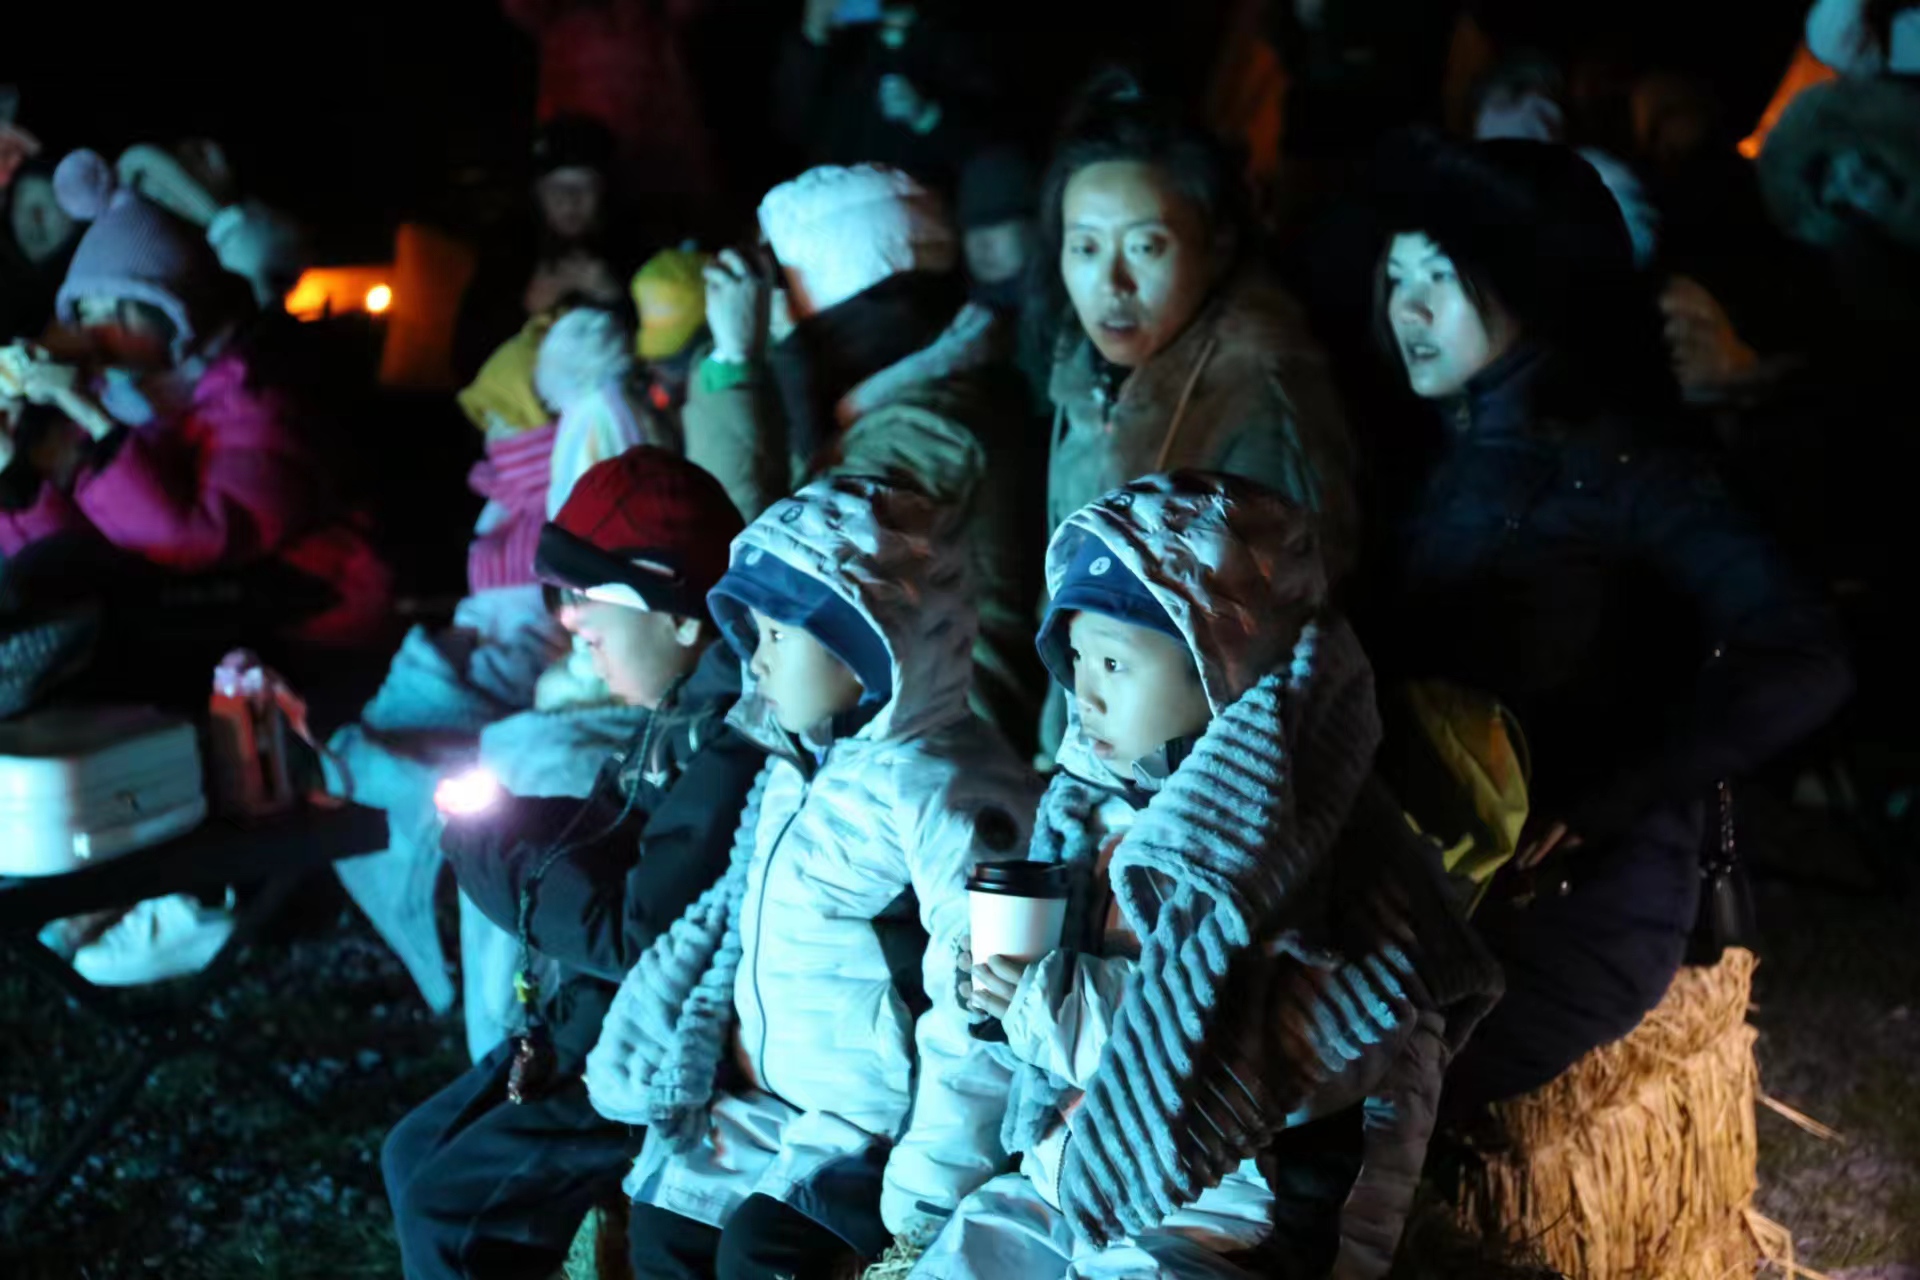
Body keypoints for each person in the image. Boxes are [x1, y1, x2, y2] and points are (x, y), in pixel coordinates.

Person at [909, 471, 1501, 1279]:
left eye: (1115, 664)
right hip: (1070, 1182)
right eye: (1076, 656)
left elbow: (1256, 1064)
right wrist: (983, 982)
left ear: (1224, 672)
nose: (1083, 692)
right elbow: (1041, 1013)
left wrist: (1046, 1002)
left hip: (1224, 1220)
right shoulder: (1092, 812)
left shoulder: (1320, 858)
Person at [1361, 133, 1851, 1108]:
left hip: (1581, 911)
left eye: (1445, 278)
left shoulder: (1619, 466)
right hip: (1445, 888)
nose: (1407, 307)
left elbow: (1806, 652)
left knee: (1339, 1089)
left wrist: (1607, 801)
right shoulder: (1434, 446)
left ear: (1535, 282)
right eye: (1398, 273)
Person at [583, 476, 1042, 1280]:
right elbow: (736, 919)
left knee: (764, 1260)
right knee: (666, 1235)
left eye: (775, 635)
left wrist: (932, 1180)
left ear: (868, 640)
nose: (752, 659)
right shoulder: (800, 767)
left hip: (877, 1125)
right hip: (774, 1099)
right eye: (751, 632)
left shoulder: (945, 790)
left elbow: (985, 1004)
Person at [381, 447, 765, 1280]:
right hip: (589, 1027)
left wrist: (489, 849)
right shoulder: (681, 711)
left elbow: (634, 932)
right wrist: (514, 819)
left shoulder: (731, 739)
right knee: (412, 1150)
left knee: (452, 1216)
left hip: (648, 1060)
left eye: (593, 622)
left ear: (680, 612)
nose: (572, 634)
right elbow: (614, 828)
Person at [683, 162, 1046, 750]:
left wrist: (733, 362)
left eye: (794, 318)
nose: (782, 338)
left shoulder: (926, 433)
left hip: (938, 765)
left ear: (857, 316)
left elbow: (767, 578)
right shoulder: (920, 404)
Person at [0, 148, 391, 669]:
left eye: (118, 312)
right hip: (196, 624)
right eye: (86, 314)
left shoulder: (253, 398)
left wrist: (95, 419)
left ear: (175, 315)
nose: (97, 334)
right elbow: (68, 552)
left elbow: (194, 541)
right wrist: (11, 466)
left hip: (308, 627)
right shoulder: (125, 401)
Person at [1036, 84, 1356, 577]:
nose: (1112, 283)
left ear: (1217, 247)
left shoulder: (1261, 396)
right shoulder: (1078, 372)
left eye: (1146, 247)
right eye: (1085, 248)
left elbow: (1288, 611)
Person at [453, 117, 640, 382]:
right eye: (556, 187)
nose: (570, 200)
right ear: (537, 193)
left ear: (604, 190)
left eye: (584, 185)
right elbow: (466, 362)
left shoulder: (631, 247)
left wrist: (614, 297)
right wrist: (527, 309)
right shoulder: (507, 254)